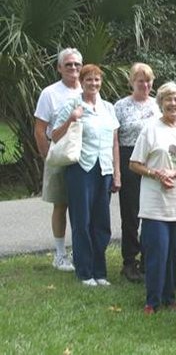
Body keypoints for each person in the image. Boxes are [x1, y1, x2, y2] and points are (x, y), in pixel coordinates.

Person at [129, 82, 176, 314]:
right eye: (168, 99)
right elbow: (134, 164)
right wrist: (156, 173)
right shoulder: (150, 130)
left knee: (173, 253)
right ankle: (152, 300)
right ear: (160, 103)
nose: (173, 103)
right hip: (155, 202)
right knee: (156, 252)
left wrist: (175, 173)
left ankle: (170, 298)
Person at [52, 64, 120, 286]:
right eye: (89, 79)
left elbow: (114, 142)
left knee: (102, 222)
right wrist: (71, 118)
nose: (93, 83)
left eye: (97, 80)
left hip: (104, 170)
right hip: (81, 169)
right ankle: (84, 271)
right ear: (81, 81)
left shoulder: (108, 108)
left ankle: (99, 271)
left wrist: (117, 173)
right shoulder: (73, 104)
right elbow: (54, 135)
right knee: (82, 221)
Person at [33, 47, 83, 272]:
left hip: (85, 158)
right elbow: (40, 129)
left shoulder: (88, 88)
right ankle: (60, 254)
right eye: (69, 64)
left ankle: (80, 251)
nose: (73, 68)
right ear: (59, 68)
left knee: (82, 206)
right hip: (59, 156)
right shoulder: (50, 93)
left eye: (77, 64)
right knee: (61, 205)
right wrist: (48, 157)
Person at [114, 63, 161, 282]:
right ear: (132, 82)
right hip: (129, 158)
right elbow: (114, 139)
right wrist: (117, 172)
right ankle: (129, 261)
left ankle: (147, 257)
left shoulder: (158, 105)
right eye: (140, 80)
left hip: (153, 160)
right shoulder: (121, 106)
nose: (145, 84)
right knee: (131, 213)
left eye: (148, 80)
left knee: (151, 211)